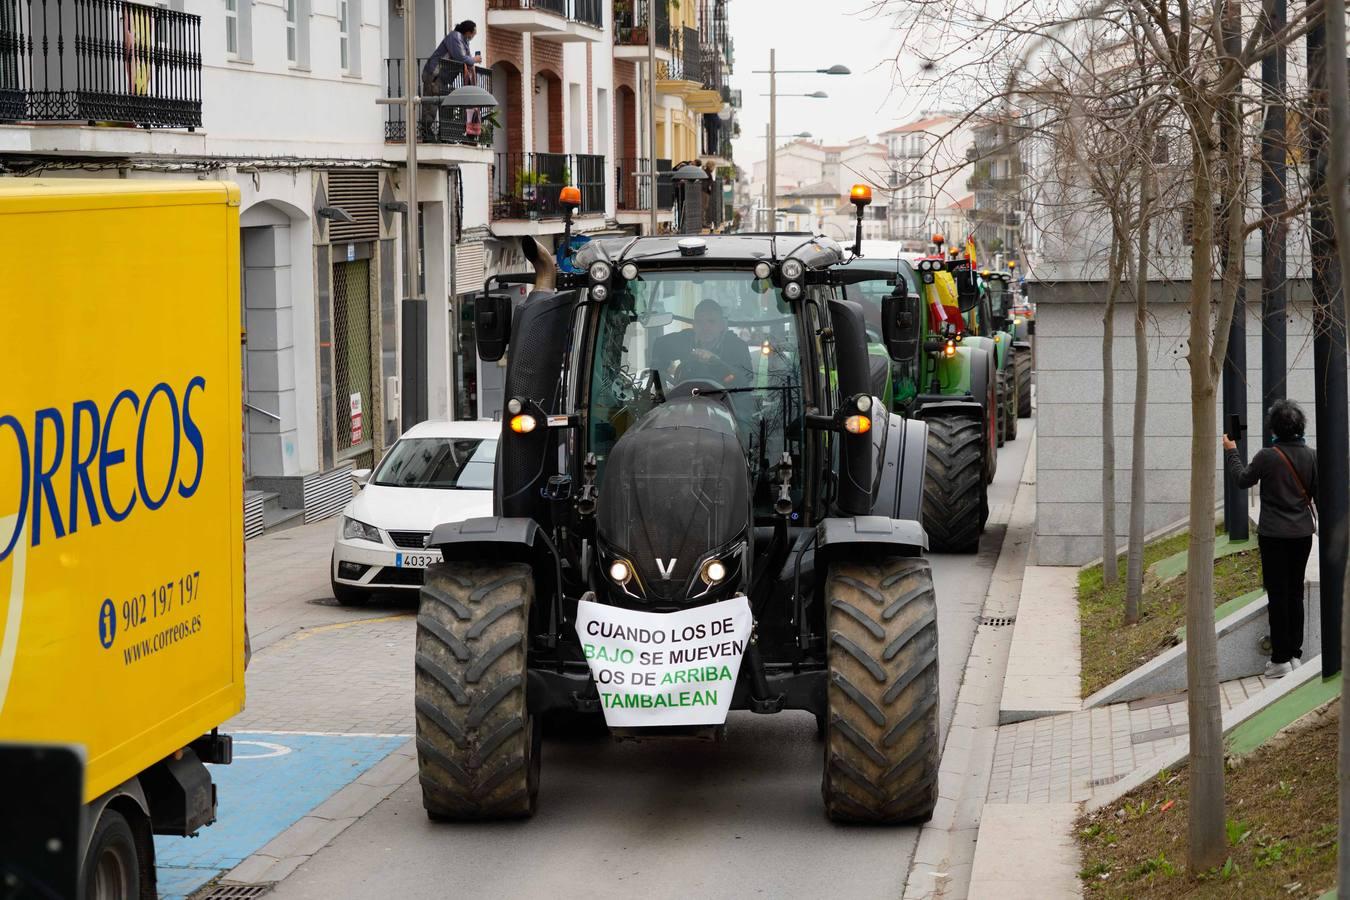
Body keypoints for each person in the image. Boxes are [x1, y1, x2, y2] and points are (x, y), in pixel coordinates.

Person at [1223, 399, 1318, 678]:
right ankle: (1295, 655)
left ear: (1273, 427)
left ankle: (1280, 660)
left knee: (1278, 595)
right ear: (1300, 426)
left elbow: (1242, 479)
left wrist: (1231, 451)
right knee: (1295, 592)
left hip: (1274, 536)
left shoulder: (1267, 456)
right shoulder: (1313, 456)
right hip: (1302, 534)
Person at [654, 299, 753, 389]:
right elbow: (658, 346)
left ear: (722, 325)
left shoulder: (737, 346)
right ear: (694, 325)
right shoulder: (685, 339)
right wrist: (663, 374)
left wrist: (716, 362)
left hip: (727, 401)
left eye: (711, 321)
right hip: (687, 398)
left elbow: (746, 379)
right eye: (699, 322)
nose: (705, 327)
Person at [421, 21, 480, 132]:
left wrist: (471, 62)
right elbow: (461, 58)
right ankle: (426, 132)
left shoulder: (463, 41)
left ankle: (441, 133)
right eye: (473, 34)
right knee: (431, 104)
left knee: (442, 104)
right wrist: (474, 60)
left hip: (442, 78)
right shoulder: (455, 37)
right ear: (468, 32)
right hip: (434, 75)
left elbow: (467, 58)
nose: (472, 37)